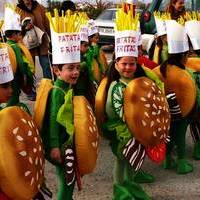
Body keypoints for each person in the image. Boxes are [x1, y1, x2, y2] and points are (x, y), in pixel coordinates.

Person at [97, 7, 171, 199]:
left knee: (132, 160)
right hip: (121, 129)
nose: (128, 67)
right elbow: (116, 110)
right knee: (122, 160)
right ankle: (118, 188)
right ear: (116, 63)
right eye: (124, 64)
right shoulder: (115, 86)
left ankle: (129, 182)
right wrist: (131, 127)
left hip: (136, 128)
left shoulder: (138, 82)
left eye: (132, 64)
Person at [40, 10, 83, 200]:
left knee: (68, 178)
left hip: (68, 143)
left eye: (77, 68)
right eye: (70, 68)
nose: (75, 72)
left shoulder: (68, 87)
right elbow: (52, 121)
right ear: (57, 70)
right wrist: (55, 147)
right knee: (67, 179)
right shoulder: (58, 92)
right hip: (59, 145)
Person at [4, 4, 35, 105]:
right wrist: (25, 76)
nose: (21, 36)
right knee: (14, 98)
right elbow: (21, 63)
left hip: (7, 78)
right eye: (19, 34)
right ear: (14, 35)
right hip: (16, 78)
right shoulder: (15, 47)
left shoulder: (4, 46)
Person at [17, 0, 52, 79]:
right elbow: (16, 28)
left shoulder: (39, 7)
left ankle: (48, 87)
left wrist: (51, 40)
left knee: (46, 66)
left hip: (42, 42)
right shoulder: (19, 10)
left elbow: (47, 24)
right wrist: (24, 28)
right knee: (30, 69)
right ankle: (32, 88)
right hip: (28, 44)